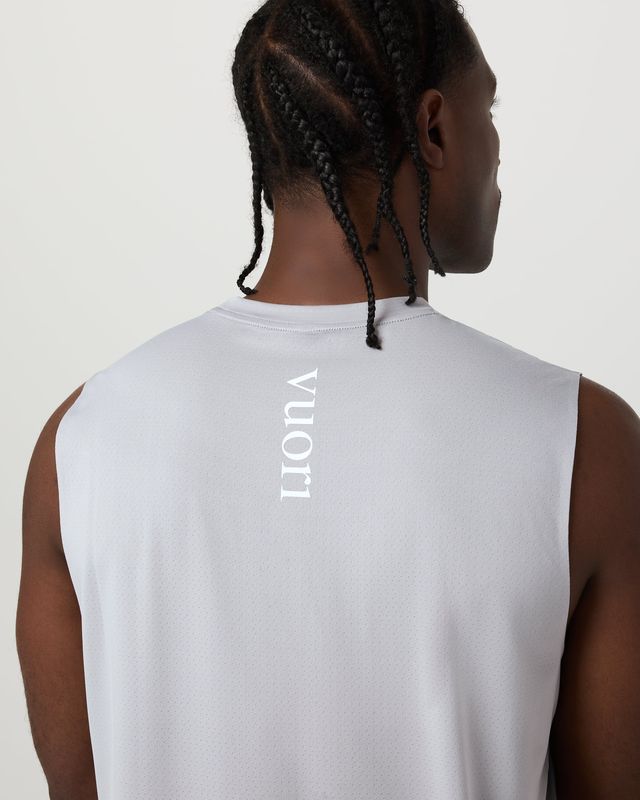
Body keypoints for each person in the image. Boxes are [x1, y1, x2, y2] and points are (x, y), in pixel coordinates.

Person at [16, 1, 640, 798]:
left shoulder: (81, 441)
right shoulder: (581, 442)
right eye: (489, 110)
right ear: (435, 129)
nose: (497, 149)